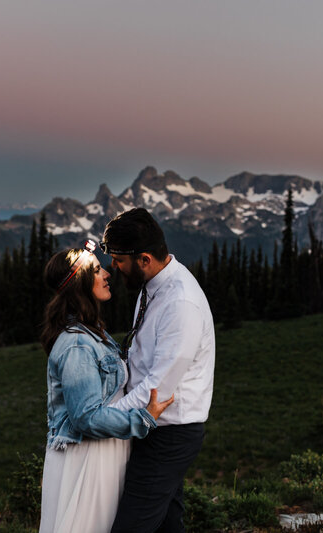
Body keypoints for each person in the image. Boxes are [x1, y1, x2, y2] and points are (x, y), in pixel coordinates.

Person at [38, 241, 174, 533]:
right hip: (87, 458)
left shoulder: (91, 331)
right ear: (81, 283)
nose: (107, 274)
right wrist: (143, 418)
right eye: (97, 270)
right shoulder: (76, 342)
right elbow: (85, 417)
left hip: (103, 451)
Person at [103, 208, 215, 533]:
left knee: (131, 526)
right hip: (153, 425)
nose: (113, 266)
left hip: (168, 432)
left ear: (145, 259)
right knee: (167, 524)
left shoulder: (180, 304)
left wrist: (102, 417)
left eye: (119, 260)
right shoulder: (152, 286)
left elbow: (156, 389)